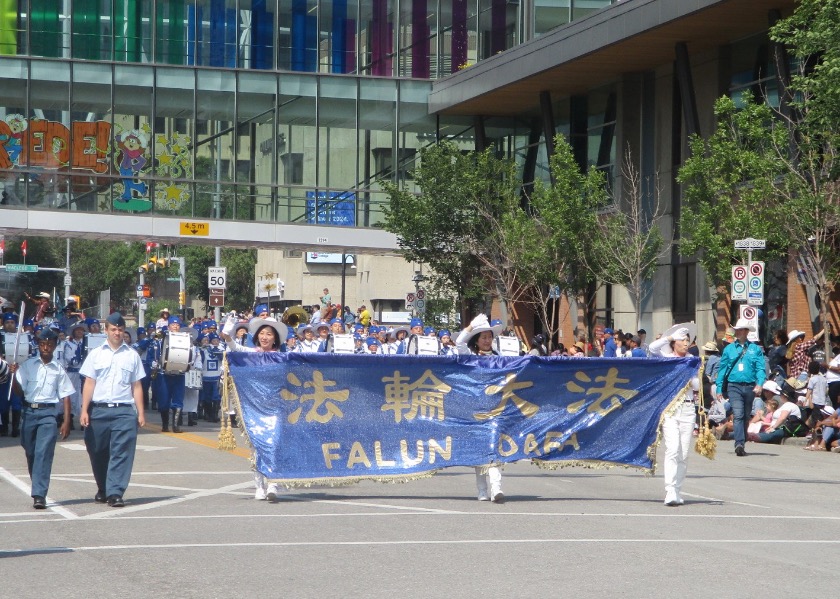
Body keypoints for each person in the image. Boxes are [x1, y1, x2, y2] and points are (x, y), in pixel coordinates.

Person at [79, 312, 146, 508]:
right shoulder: (96, 354)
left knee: (122, 453)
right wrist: (84, 410)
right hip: (99, 410)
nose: (117, 333)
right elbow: (89, 383)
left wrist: (140, 412)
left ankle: (116, 491)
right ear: (106, 330)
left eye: (120, 329)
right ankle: (104, 487)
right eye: (113, 329)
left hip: (124, 411)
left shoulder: (132, 355)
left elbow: (137, 386)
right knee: (98, 451)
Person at [222, 313, 288, 501]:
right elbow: (231, 344)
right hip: (253, 407)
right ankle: (259, 485)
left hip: (276, 407)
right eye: (262, 333)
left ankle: (273, 483)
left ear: (275, 338)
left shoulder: (283, 358)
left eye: (269, 334)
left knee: (274, 445)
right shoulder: (250, 353)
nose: (265, 337)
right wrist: (229, 327)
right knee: (257, 447)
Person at [10, 328, 75, 509]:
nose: (46, 347)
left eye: (50, 345)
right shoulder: (28, 365)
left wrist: (67, 421)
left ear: (54, 347)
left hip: (48, 414)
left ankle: (40, 494)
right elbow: (18, 392)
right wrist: (14, 375)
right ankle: (37, 481)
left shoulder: (58, 369)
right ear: (38, 345)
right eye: (42, 344)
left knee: (43, 454)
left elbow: (66, 395)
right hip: (29, 413)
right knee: (31, 452)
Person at [455, 314, 505, 503]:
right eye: (483, 337)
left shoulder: (501, 359)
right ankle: (482, 490)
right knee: (479, 452)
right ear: (477, 341)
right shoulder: (470, 358)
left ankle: (496, 488)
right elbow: (459, 343)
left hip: (495, 411)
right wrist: (470, 326)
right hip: (475, 410)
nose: (487, 340)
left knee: (494, 450)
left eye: (489, 337)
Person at [649, 327, 699, 506]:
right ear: (674, 343)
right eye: (682, 340)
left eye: (687, 340)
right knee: (673, 449)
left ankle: (678, 489)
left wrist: (690, 371)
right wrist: (669, 336)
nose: (686, 343)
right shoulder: (668, 359)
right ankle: (669, 489)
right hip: (671, 409)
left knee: (683, 453)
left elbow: (697, 386)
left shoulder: (692, 361)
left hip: (688, 409)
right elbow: (652, 348)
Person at [715, 318, 766, 456]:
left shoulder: (755, 349)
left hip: (750, 386)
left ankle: (741, 440)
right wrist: (719, 387)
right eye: (737, 329)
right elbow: (722, 369)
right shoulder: (729, 349)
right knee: (737, 414)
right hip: (734, 386)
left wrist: (760, 383)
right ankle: (739, 443)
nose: (737, 332)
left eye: (740, 329)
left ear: (747, 331)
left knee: (745, 416)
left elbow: (761, 368)